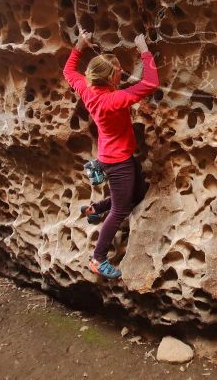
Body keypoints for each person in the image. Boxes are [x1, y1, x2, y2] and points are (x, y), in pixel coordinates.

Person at [63, 30, 159, 279]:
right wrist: (144, 51)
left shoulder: (87, 88)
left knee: (137, 194)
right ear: (110, 79)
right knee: (120, 210)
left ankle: (93, 210)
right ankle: (98, 258)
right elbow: (151, 84)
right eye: (117, 72)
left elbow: (68, 72)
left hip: (114, 156)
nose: (121, 73)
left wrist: (79, 46)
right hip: (118, 163)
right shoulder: (112, 100)